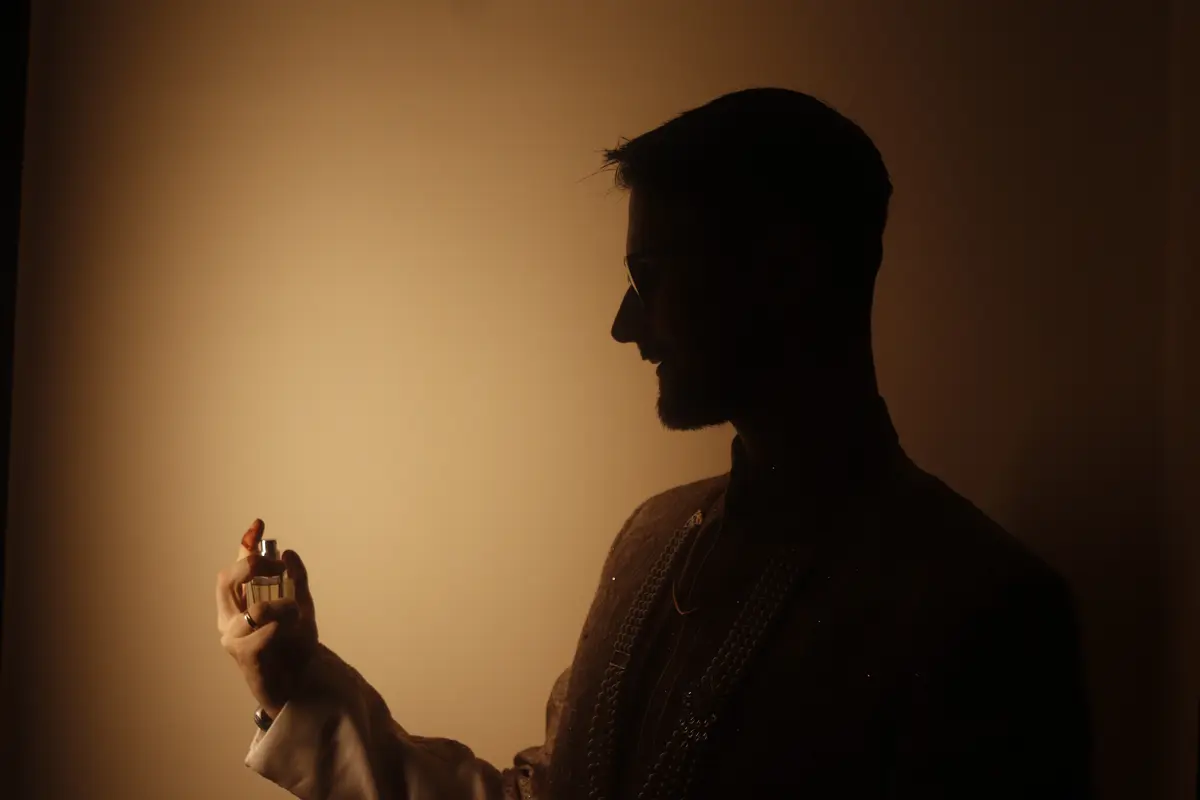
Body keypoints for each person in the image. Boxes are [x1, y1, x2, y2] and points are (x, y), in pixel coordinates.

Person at [214, 87, 1093, 799]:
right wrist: (298, 691)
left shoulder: (982, 611)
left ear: (786, 271)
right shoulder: (650, 541)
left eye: (652, 276)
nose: (625, 324)